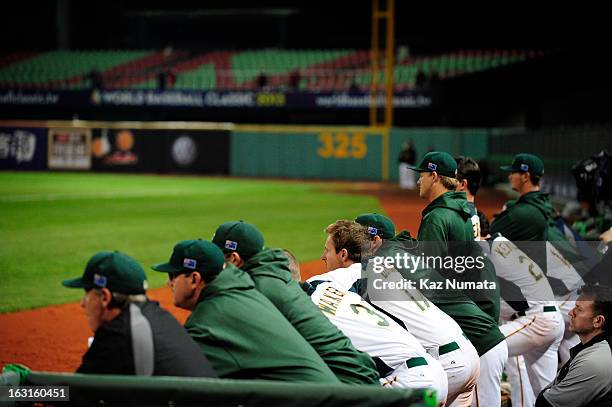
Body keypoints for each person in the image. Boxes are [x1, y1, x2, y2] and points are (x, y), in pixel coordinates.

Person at [211, 220, 379, 385]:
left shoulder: (258, 291)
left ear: (234, 258)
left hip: (354, 384)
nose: (322, 256)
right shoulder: (285, 283)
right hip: (368, 373)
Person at [151, 239, 339, 383]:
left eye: (173, 275)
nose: (169, 282)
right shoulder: (247, 291)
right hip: (336, 388)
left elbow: (183, 377)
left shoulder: (212, 319)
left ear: (194, 279)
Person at [305, 221, 448, 403]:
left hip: (411, 377)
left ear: (343, 254)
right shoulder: (384, 270)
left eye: (327, 250)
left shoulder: (341, 279)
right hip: (435, 369)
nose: (322, 256)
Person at [408, 152, 508, 407]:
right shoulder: (464, 211)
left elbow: (425, 280)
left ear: (434, 176)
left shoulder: (438, 216)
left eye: (421, 175)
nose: (418, 181)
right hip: (480, 321)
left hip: (477, 340)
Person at [355, 213, 481, 406]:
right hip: (466, 351)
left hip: (447, 362)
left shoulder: (377, 266)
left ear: (375, 241)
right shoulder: (403, 256)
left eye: (358, 241)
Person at [62, 251, 216, 377]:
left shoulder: (118, 334)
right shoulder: (160, 316)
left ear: (105, 297)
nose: (83, 303)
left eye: (87, 293)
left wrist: (38, 391)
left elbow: (73, 392)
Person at [536, 284, 612, 407]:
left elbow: (546, 404)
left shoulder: (594, 360)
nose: (571, 313)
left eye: (578, 309)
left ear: (598, 321)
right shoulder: (593, 348)